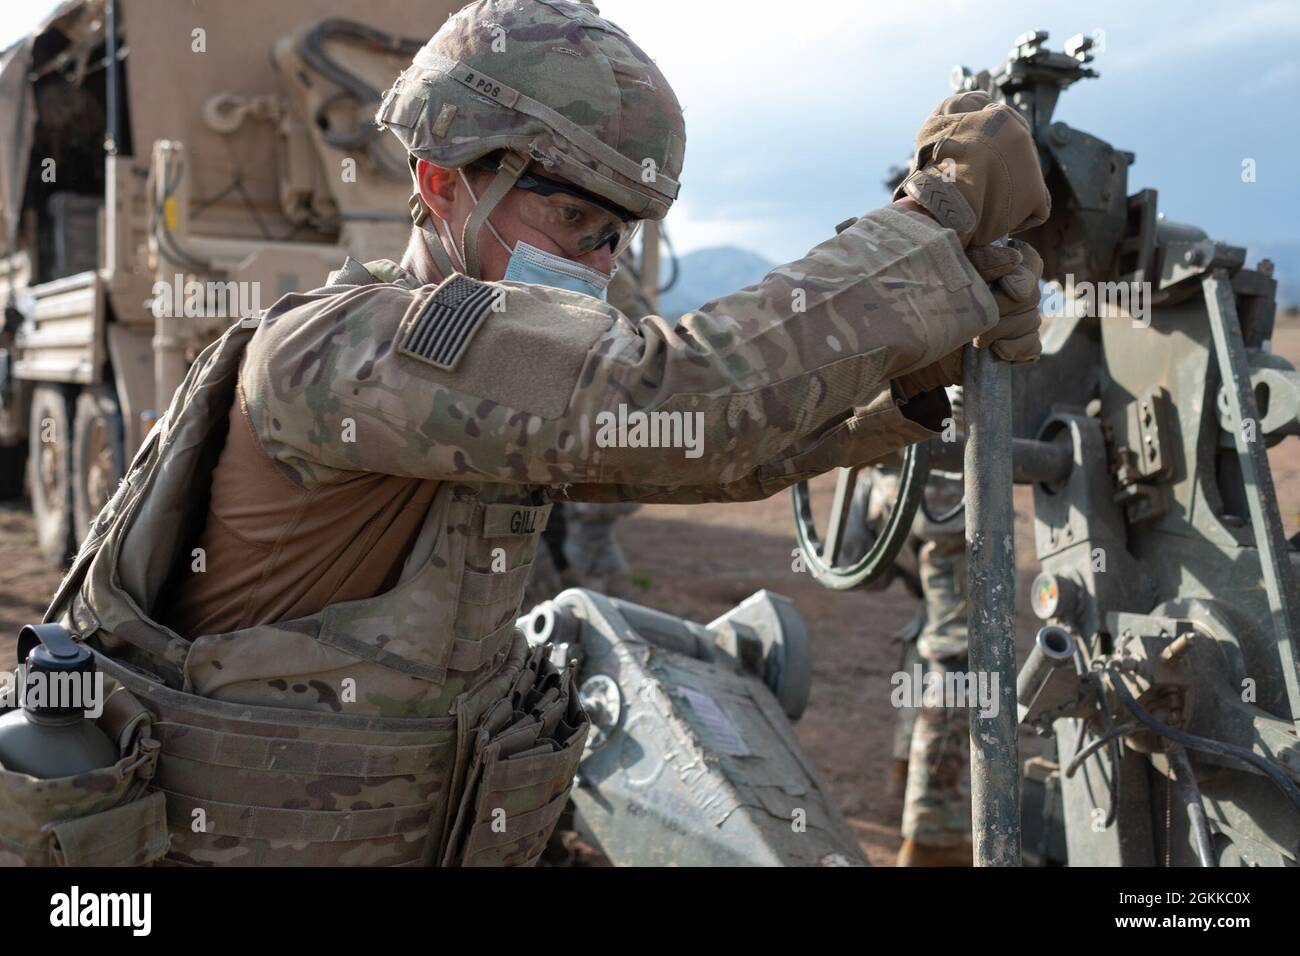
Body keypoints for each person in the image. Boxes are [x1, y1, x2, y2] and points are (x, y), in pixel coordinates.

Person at [48, 0, 1049, 866]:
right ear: (441, 183)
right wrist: (932, 220)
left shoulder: (475, 407)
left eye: (619, 235)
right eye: (574, 218)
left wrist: (907, 387)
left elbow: (703, 451)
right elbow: (679, 399)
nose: (602, 262)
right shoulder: (345, 352)